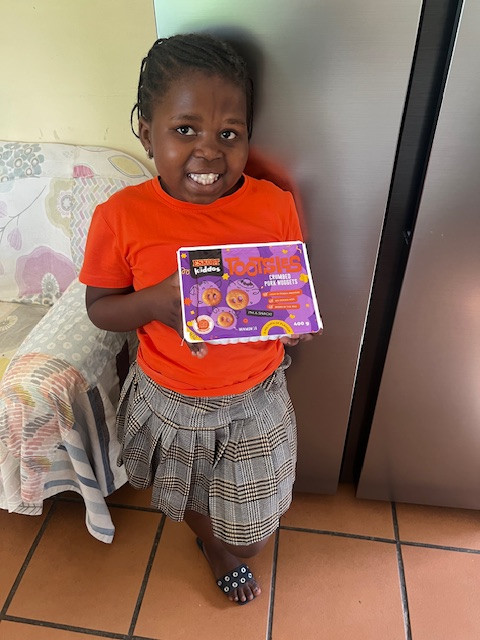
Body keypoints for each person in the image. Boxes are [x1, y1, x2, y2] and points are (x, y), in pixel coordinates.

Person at [79, 33, 316, 605]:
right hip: (170, 398)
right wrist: (154, 303)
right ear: (146, 132)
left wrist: (292, 325)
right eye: (185, 130)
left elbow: (288, 290)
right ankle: (210, 543)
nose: (209, 151)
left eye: (228, 134)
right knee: (184, 489)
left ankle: (228, 541)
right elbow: (100, 308)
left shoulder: (273, 205)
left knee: (251, 538)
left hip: (254, 398)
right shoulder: (120, 216)